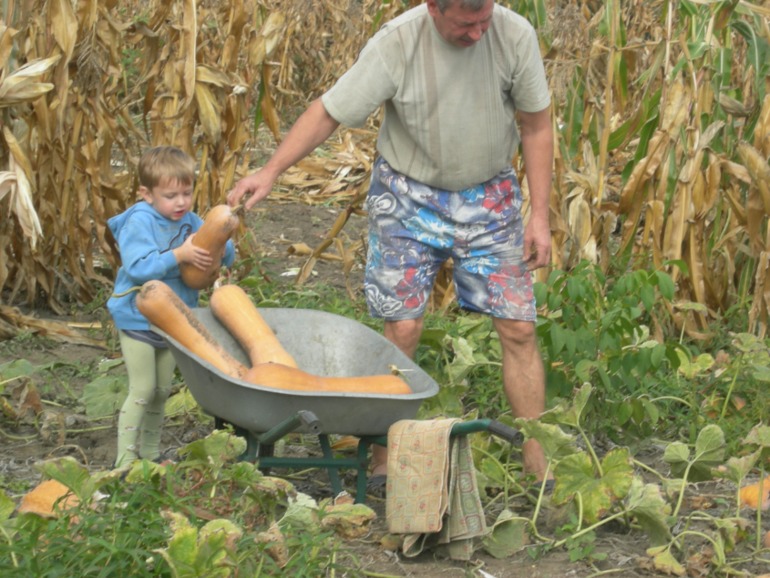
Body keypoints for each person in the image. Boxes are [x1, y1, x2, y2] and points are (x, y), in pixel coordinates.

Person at [228, 0, 554, 488]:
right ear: (433, 8)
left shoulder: (514, 34)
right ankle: (382, 455)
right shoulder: (398, 41)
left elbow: (537, 124)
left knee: (519, 329)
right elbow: (328, 112)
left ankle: (538, 461)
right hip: (407, 195)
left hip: (489, 197)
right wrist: (270, 171)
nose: (477, 33)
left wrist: (541, 216)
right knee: (401, 329)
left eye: (484, 19)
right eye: (466, 24)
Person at [108, 146, 236, 467]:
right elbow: (138, 267)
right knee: (143, 388)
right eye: (170, 195)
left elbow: (218, 246)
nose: (180, 202)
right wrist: (179, 255)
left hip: (174, 319)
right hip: (137, 317)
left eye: (186, 193)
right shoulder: (140, 221)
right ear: (146, 194)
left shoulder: (191, 221)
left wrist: (222, 247)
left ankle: (150, 454)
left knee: (163, 389)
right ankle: (124, 462)